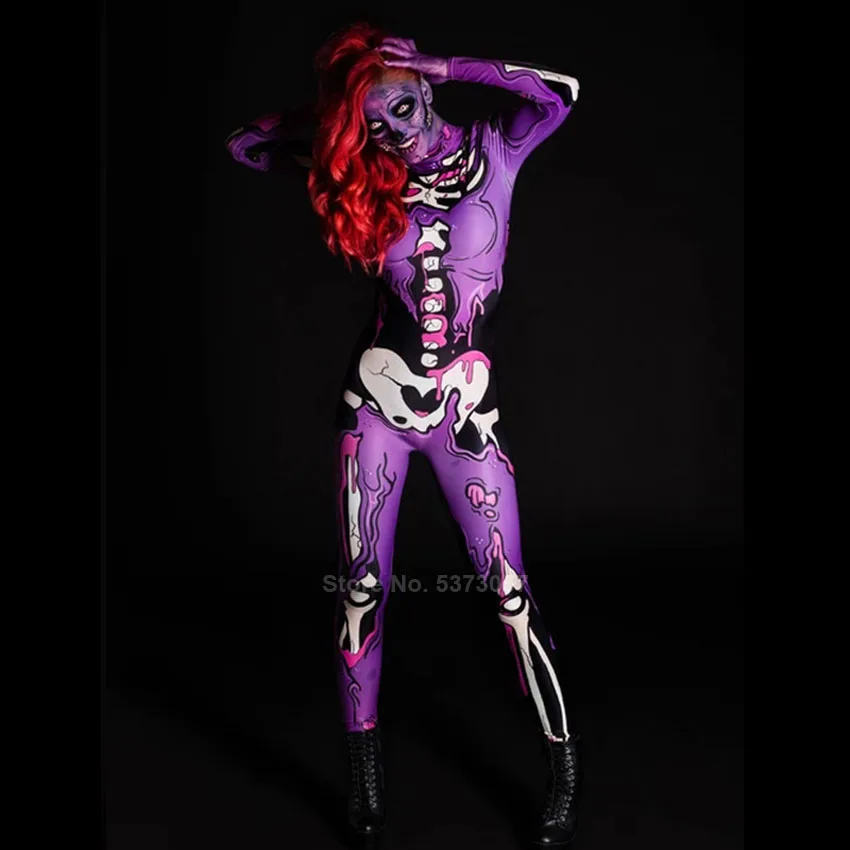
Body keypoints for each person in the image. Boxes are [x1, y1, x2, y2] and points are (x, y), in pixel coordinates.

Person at [226, 22, 581, 848]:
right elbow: (247, 145)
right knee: (360, 588)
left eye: (402, 106)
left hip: (464, 414)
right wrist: (339, 114)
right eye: (373, 122)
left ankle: (564, 769)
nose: (392, 129)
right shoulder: (370, 171)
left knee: (510, 594)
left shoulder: (498, 150)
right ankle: (365, 779)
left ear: (426, 86)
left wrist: (447, 65)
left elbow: (561, 94)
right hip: (376, 405)